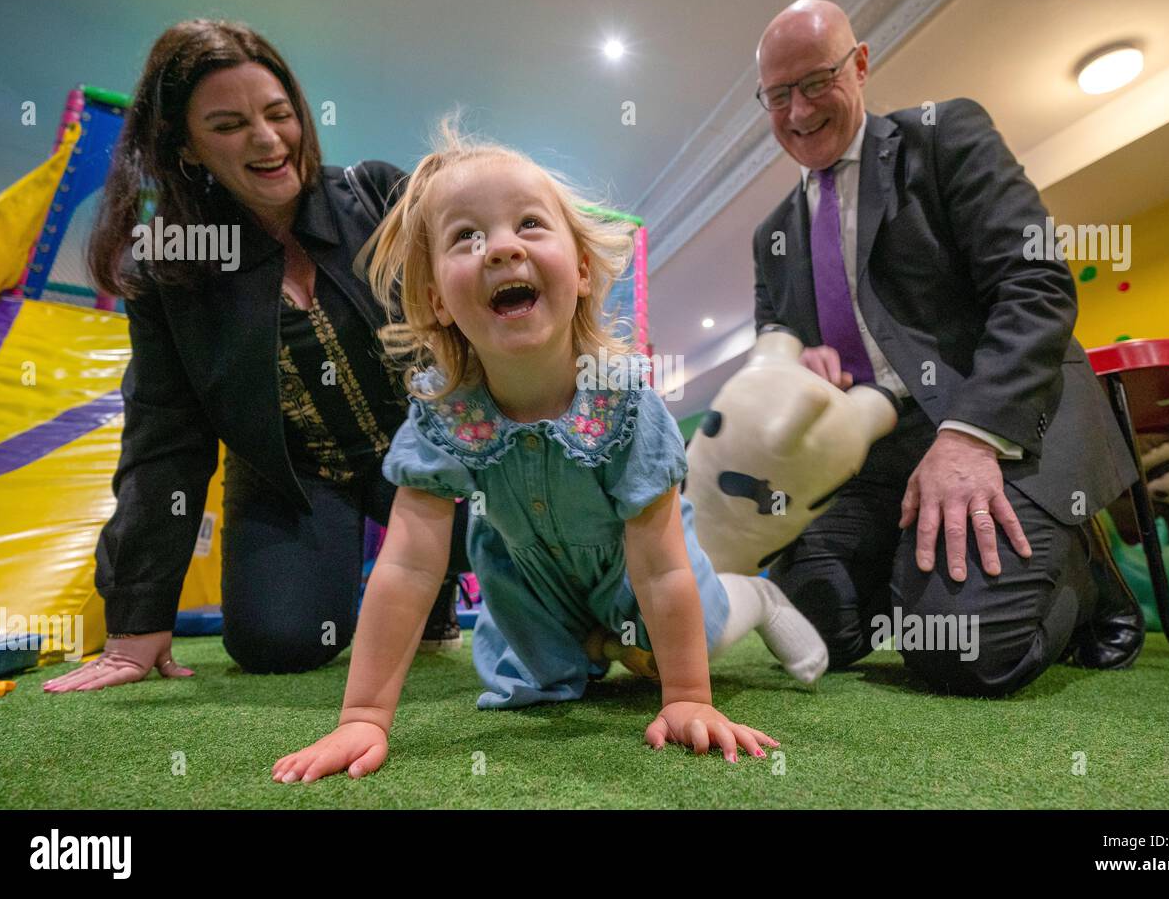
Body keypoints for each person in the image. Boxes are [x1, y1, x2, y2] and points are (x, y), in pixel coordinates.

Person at [271, 123, 828, 782]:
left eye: (530, 224)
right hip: (531, 586)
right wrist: (362, 716)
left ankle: (756, 600)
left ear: (584, 270)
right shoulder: (443, 410)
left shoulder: (621, 399)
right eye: (466, 238)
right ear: (434, 300)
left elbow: (659, 570)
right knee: (543, 680)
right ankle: (594, 643)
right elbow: (409, 568)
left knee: (695, 632)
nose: (502, 247)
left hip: (637, 567)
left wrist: (686, 698)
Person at [43, 19, 465, 693]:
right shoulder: (170, 267)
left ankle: (438, 577)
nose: (268, 140)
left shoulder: (379, 195)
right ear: (185, 147)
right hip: (294, 477)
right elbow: (164, 441)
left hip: (430, 454)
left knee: (534, 574)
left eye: (278, 113)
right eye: (230, 124)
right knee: (277, 641)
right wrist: (136, 620)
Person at [751, 0, 1144, 696]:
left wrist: (969, 438)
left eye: (816, 82)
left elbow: (1036, 285)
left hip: (1006, 419)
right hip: (879, 452)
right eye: (778, 95)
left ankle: (1081, 571)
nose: (799, 111)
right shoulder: (772, 235)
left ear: (861, 64)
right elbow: (770, 346)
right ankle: (921, 575)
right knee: (812, 634)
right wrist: (789, 367)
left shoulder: (945, 136)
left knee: (962, 652)